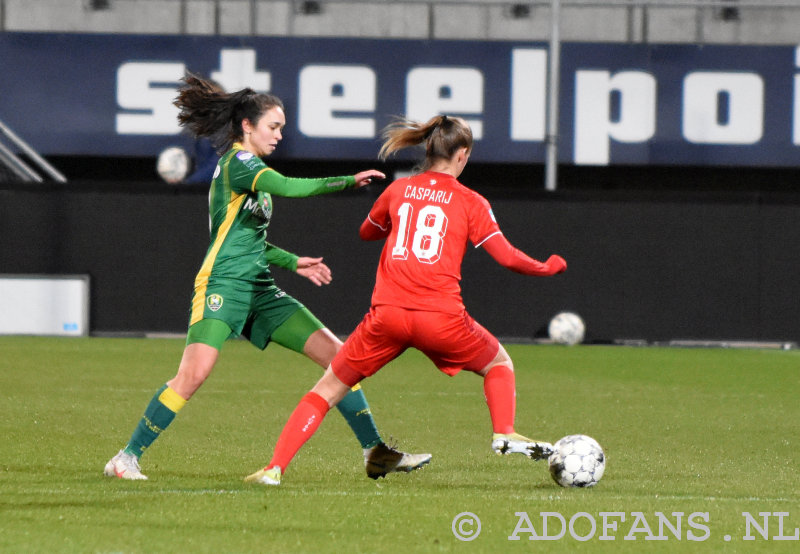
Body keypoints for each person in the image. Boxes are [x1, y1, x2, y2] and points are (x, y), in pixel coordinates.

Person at [104, 74, 431, 481]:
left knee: (341, 358)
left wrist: (293, 262)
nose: (279, 135)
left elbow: (248, 239)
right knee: (193, 375)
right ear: (247, 126)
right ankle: (126, 457)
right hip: (222, 285)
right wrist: (348, 180)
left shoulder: (253, 174)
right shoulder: (239, 164)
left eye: (282, 128)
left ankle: (375, 451)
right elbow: (290, 186)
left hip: (260, 289)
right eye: (273, 127)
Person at [245, 114, 567, 486]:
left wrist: (392, 222)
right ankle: (504, 431)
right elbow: (509, 257)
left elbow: (367, 232)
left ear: (428, 149)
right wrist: (546, 268)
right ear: (462, 155)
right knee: (498, 363)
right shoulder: (471, 201)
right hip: (442, 319)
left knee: (328, 388)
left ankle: (274, 468)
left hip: (388, 317)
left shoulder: (399, 191)